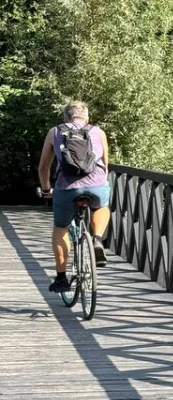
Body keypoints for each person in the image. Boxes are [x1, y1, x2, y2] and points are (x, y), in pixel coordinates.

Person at [37, 101, 111, 292]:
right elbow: (106, 164)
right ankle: (97, 239)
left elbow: (44, 166)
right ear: (87, 117)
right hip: (96, 184)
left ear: (65, 117)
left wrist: (46, 190)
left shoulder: (55, 132)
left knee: (60, 228)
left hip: (66, 187)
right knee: (101, 206)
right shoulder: (98, 131)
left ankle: (61, 278)